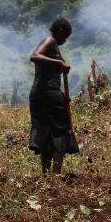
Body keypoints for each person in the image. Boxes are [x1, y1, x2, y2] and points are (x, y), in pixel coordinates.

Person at [29, 17, 79, 174]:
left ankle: (46, 174)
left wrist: (61, 93)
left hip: (45, 93)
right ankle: (55, 173)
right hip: (47, 94)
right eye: (65, 36)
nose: (65, 41)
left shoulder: (53, 44)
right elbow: (35, 56)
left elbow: (49, 73)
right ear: (60, 31)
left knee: (47, 132)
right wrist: (59, 63)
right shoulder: (49, 40)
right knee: (60, 130)